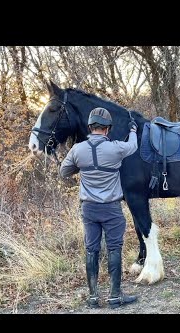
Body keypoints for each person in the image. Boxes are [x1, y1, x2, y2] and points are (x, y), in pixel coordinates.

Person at [59, 107, 138, 309]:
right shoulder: (117, 148)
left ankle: (93, 297)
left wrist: (83, 167)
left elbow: (64, 172)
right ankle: (114, 296)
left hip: (89, 209)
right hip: (111, 209)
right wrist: (133, 131)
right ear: (107, 129)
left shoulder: (77, 150)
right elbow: (133, 146)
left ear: (89, 127)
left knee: (91, 250)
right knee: (114, 249)